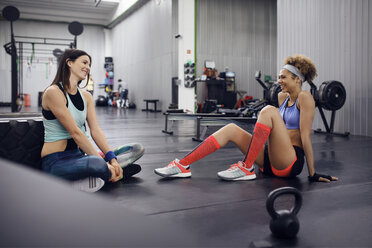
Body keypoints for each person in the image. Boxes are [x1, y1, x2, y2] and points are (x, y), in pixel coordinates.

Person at [155, 54, 338, 183]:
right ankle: (182, 165)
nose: (279, 81)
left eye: (283, 77)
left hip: (289, 163)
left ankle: (246, 167)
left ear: (297, 79)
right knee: (231, 129)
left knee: (268, 110)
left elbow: (305, 137)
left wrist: (312, 173)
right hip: (268, 160)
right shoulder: (282, 97)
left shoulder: (305, 98)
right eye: (278, 77)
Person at [41, 49, 144, 192]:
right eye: (84, 62)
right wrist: (102, 162)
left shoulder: (86, 96)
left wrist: (112, 158)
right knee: (96, 163)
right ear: (69, 63)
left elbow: (95, 130)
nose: (88, 68)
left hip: (79, 156)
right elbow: (75, 133)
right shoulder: (53, 92)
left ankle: (109, 168)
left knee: (137, 147)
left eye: (89, 64)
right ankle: (113, 172)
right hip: (56, 161)